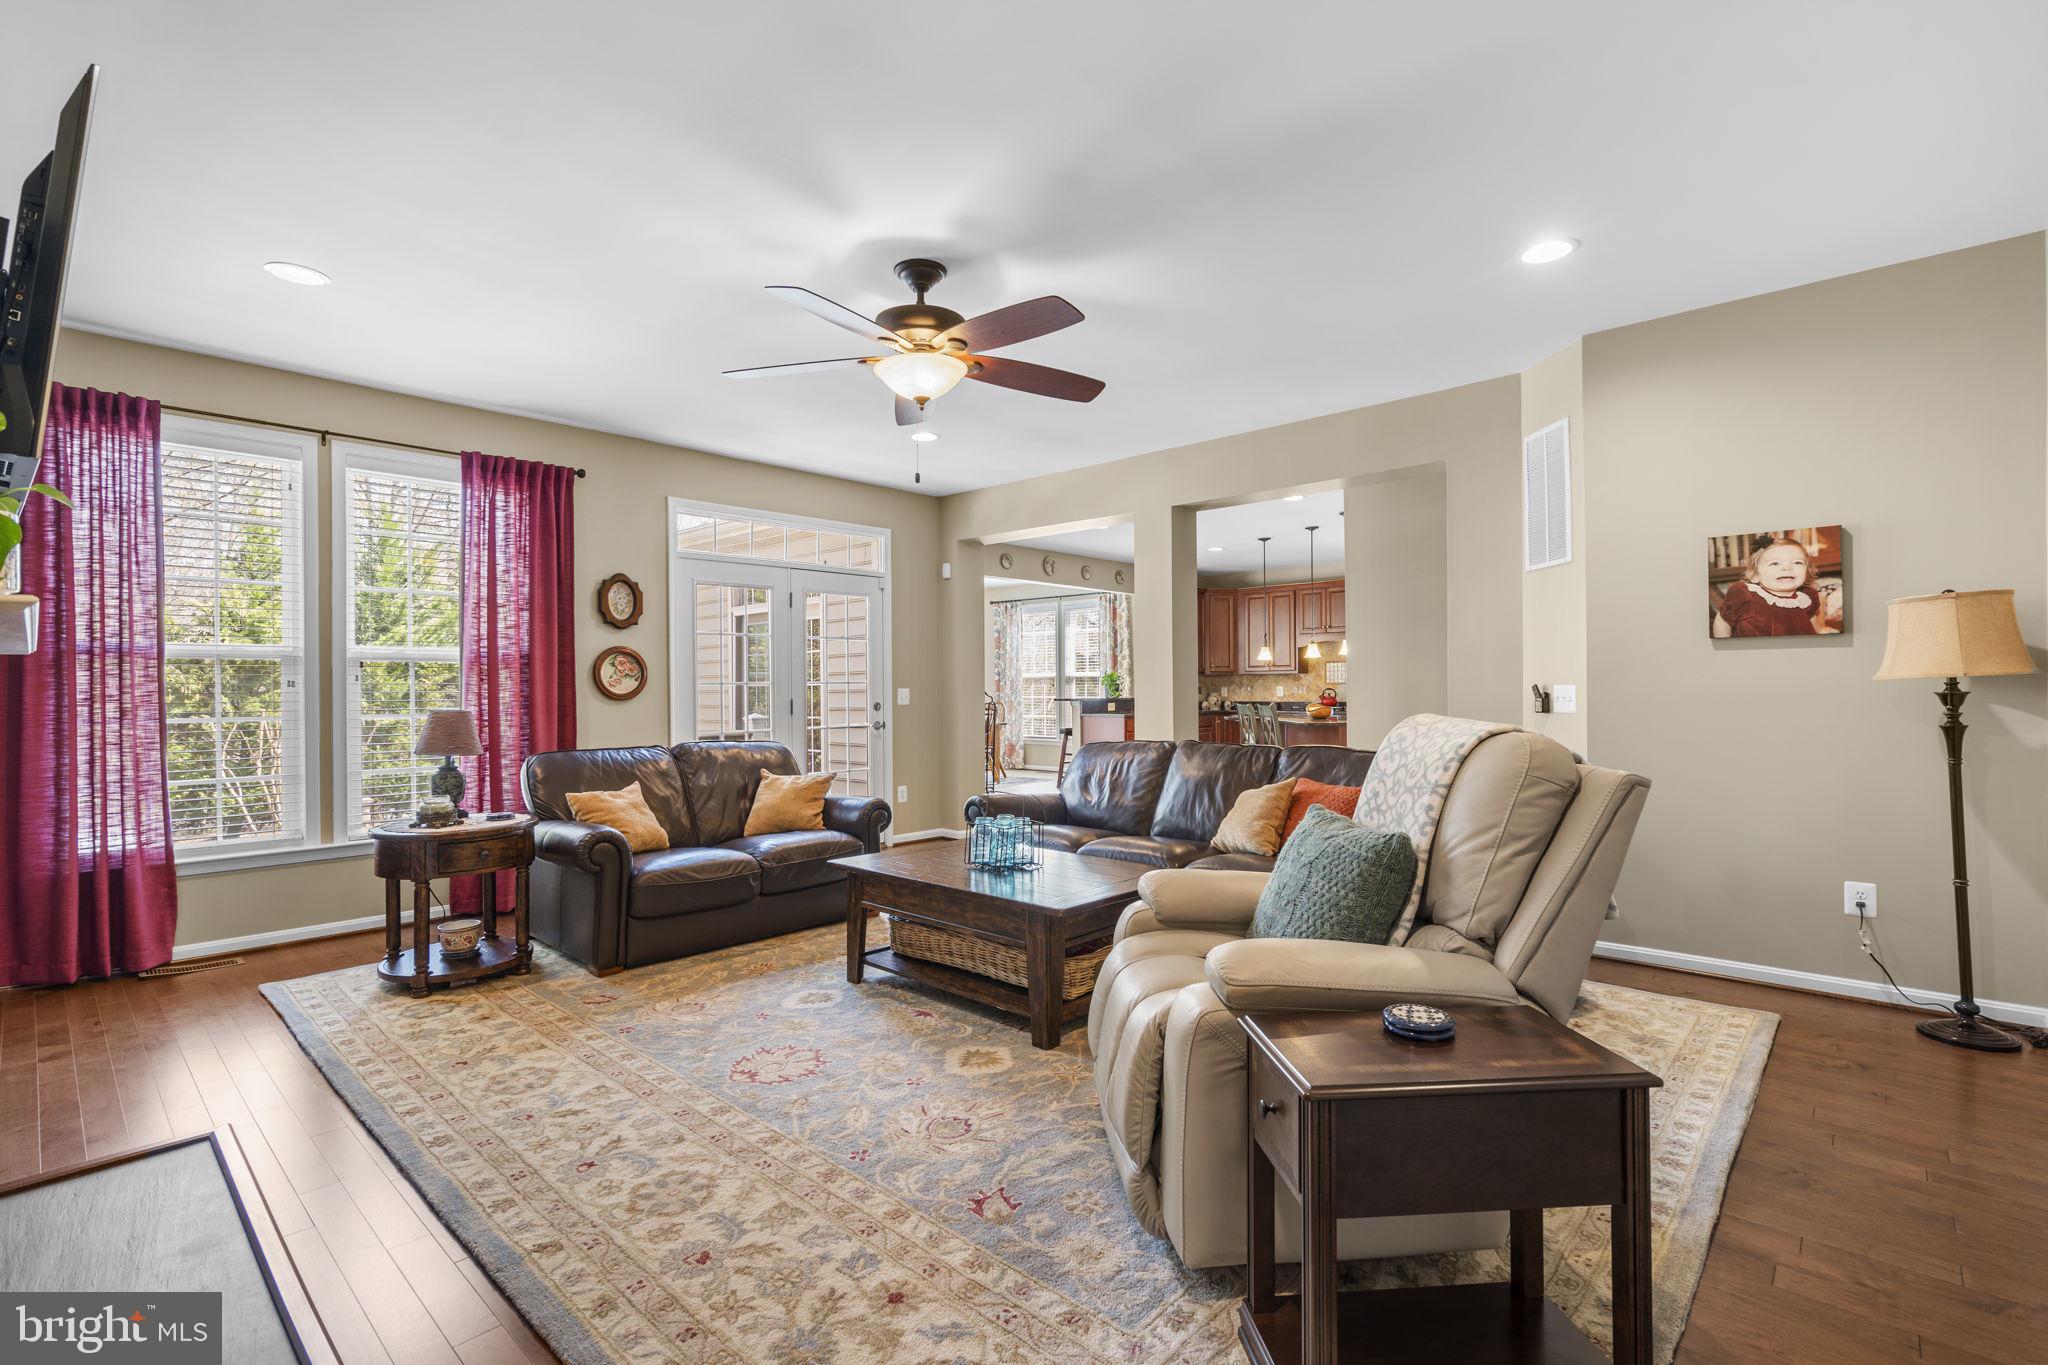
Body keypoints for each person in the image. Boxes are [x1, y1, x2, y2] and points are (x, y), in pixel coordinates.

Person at [1713, 537, 1825, 636]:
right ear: (1755, 575)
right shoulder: (1745, 595)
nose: (1787, 568)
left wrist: (1820, 631)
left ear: (1807, 570)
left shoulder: (1807, 597)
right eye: (1775, 563)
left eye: (1797, 562)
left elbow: (1810, 618)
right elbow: (1723, 620)